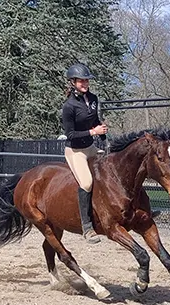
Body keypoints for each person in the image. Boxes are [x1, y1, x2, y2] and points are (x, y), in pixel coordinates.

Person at [62, 63, 107, 244]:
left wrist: (102, 135)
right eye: (81, 80)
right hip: (76, 151)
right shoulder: (69, 106)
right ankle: (87, 227)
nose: (85, 83)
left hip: (91, 147)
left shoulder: (93, 98)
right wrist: (93, 132)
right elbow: (70, 134)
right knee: (87, 182)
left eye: (87, 80)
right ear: (73, 82)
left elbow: (95, 121)